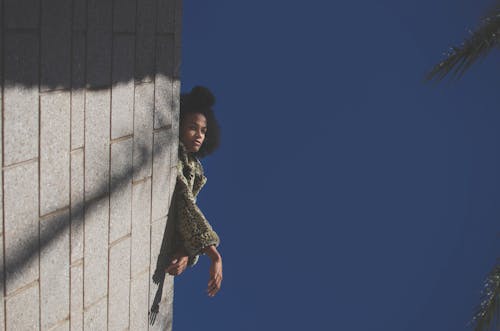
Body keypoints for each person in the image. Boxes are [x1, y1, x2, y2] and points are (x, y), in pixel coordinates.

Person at [164, 86, 223, 297]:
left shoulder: (196, 169)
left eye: (204, 131)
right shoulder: (174, 155)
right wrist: (213, 253)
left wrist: (186, 252)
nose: (199, 135)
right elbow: (183, 199)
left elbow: (184, 216)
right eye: (192, 127)